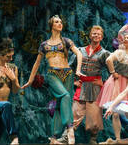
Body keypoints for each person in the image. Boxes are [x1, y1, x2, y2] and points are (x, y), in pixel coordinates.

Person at [22, 15, 83, 144]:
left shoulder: (66, 41)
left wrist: (77, 70)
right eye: (57, 22)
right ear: (51, 26)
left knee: (61, 105)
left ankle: (54, 137)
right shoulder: (44, 45)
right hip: (53, 74)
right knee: (65, 96)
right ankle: (70, 128)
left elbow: (79, 53)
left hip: (68, 74)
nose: (60, 23)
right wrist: (30, 80)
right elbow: (36, 64)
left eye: (61, 21)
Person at [70, 25, 111, 144]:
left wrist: (103, 83)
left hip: (95, 87)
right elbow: (70, 66)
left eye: (99, 34)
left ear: (102, 37)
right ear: (90, 35)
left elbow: (113, 72)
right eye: (94, 33)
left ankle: (93, 140)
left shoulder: (104, 53)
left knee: (94, 118)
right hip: (82, 86)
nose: (96, 35)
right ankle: (67, 137)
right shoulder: (80, 51)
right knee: (75, 113)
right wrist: (74, 80)